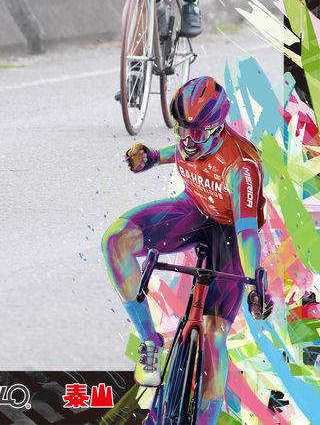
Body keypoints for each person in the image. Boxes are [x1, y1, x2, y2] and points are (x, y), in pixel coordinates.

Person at [102, 76, 274, 425]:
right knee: (115, 241)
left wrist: (256, 284)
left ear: (218, 128)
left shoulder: (241, 168)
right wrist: (153, 158)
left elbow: (246, 233)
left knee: (212, 336)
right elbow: (180, 152)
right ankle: (150, 341)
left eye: (197, 133)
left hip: (231, 233)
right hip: (193, 209)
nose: (188, 141)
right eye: (182, 130)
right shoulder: (192, 137)